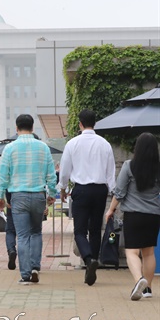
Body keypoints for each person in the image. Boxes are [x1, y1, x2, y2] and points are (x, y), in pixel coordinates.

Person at [57, 109, 115, 286]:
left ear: (80, 124)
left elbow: (65, 170)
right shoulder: (104, 144)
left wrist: (63, 188)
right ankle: (93, 264)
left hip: (81, 190)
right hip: (100, 190)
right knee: (96, 229)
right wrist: (113, 192)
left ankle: (89, 260)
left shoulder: (72, 144)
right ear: (94, 123)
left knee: (80, 231)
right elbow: (110, 172)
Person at [0, 114, 56, 285]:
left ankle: (25, 274)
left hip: (18, 196)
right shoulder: (43, 147)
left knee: (22, 236)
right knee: (36, 232)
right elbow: (51, 174)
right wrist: (51, 194)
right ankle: (36, 266)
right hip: (38, 195)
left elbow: (4, 175)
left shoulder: (9, 148)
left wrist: (1, 196)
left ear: (16, 128)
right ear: (32, 127)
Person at [104, 133, 160, 300]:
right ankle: (148, 289)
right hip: (153, 216)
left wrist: (110, 210)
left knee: (132, 252)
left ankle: (139, 280)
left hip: (133, 215)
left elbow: (119, 193)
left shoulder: (129, 166)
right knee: (149, 252)